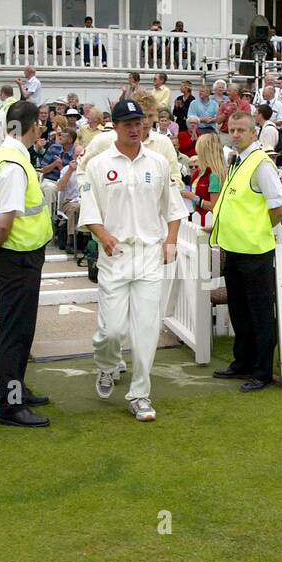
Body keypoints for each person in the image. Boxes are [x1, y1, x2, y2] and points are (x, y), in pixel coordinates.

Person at [79, 99, 187, 422]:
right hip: (116, 255)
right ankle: (107, 364)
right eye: (128, 123)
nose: (135, 128)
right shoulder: (98, 165)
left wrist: (170, 242)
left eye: (139, 122)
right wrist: (104, 236)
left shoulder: (158, 163)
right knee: (111, 331)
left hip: (150, 256)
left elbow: (174, 208)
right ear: (116, 126)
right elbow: (90, 210)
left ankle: (140, 394)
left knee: (146, 330)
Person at [0, 100, 54, 428]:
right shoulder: (13, 163)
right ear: (34, 126)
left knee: (20, 329)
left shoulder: (6, 155)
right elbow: (6, 220)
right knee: (14, 332)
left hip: (21, 255)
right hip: (18, 257)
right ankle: (10, 404)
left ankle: (17, 389)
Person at [211, 111, 282, 392]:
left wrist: (257, 230)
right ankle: (242, 362)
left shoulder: (260, 164)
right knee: (239, 311)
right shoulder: (238, 162)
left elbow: (278, 208)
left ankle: (262, 370)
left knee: (260, 313)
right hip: (234, 249)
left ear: (254, 133)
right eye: (233, 129)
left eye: (242, 129)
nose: (236, 134)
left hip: (255, 251)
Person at [181, 132, 226, 222]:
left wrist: (193, 197)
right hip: (195, 218)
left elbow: (214, 206)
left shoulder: (214, 175)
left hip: (206, 221)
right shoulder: (201, 171)